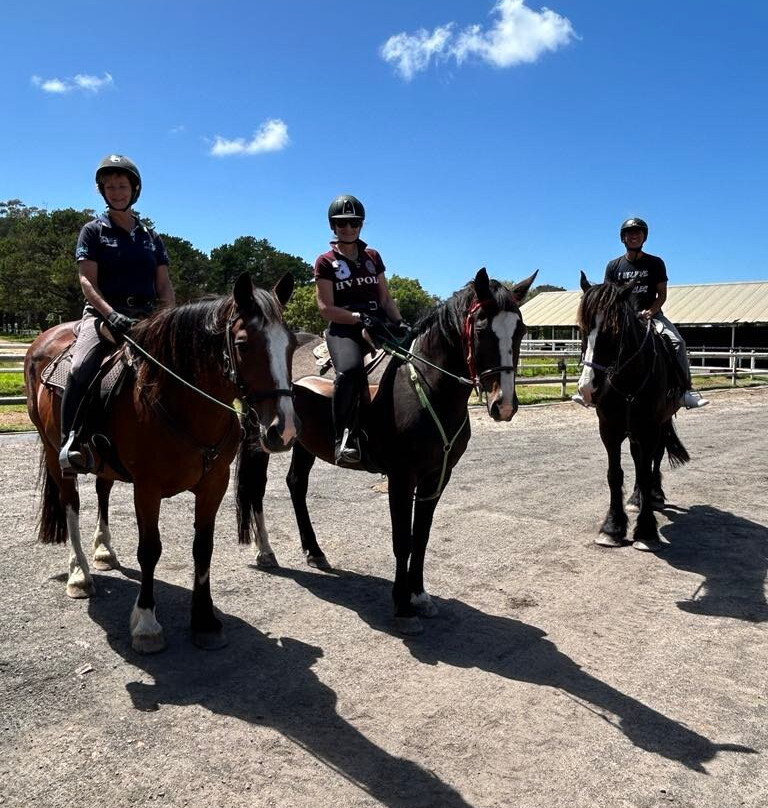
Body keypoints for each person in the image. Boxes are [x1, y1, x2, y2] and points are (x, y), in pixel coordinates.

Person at [58, 154, 176, 475]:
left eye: (122, 186)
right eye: (109, 187)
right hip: (101, 315)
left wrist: (166, 317)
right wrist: (110, 315)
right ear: (102, 191)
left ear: (134, 189)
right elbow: (87, 281)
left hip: (147, 317)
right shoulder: (93, 232)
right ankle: (71, 441)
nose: (116, 192)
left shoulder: (151, 237)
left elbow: (164, 285)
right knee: (82, 365)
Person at [572, 216, 709, 410]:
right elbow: (607, 296)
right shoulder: (614, 265)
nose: (634, 236)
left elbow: (661, 294)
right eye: (630, 233)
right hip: (621, 318)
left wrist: (651, 311)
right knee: (597, 340)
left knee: (678, 342)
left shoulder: (655, 263)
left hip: (651, 315)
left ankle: (683, 391)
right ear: (623, 238)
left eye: (638, 233)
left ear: (644, 237)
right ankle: (590, 388)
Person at [313, 194, 410, 467]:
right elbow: (325, 308)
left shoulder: (372, 257)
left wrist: (400, 323)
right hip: (344, 327)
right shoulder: (325, 261)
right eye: (342, 224)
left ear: (361, 225)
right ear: (333, 227)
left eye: (354, 223)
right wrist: (357, 318)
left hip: (378, 321)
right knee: (350, 371)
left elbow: (385, 298)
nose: (348, 229)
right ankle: (344, 437)